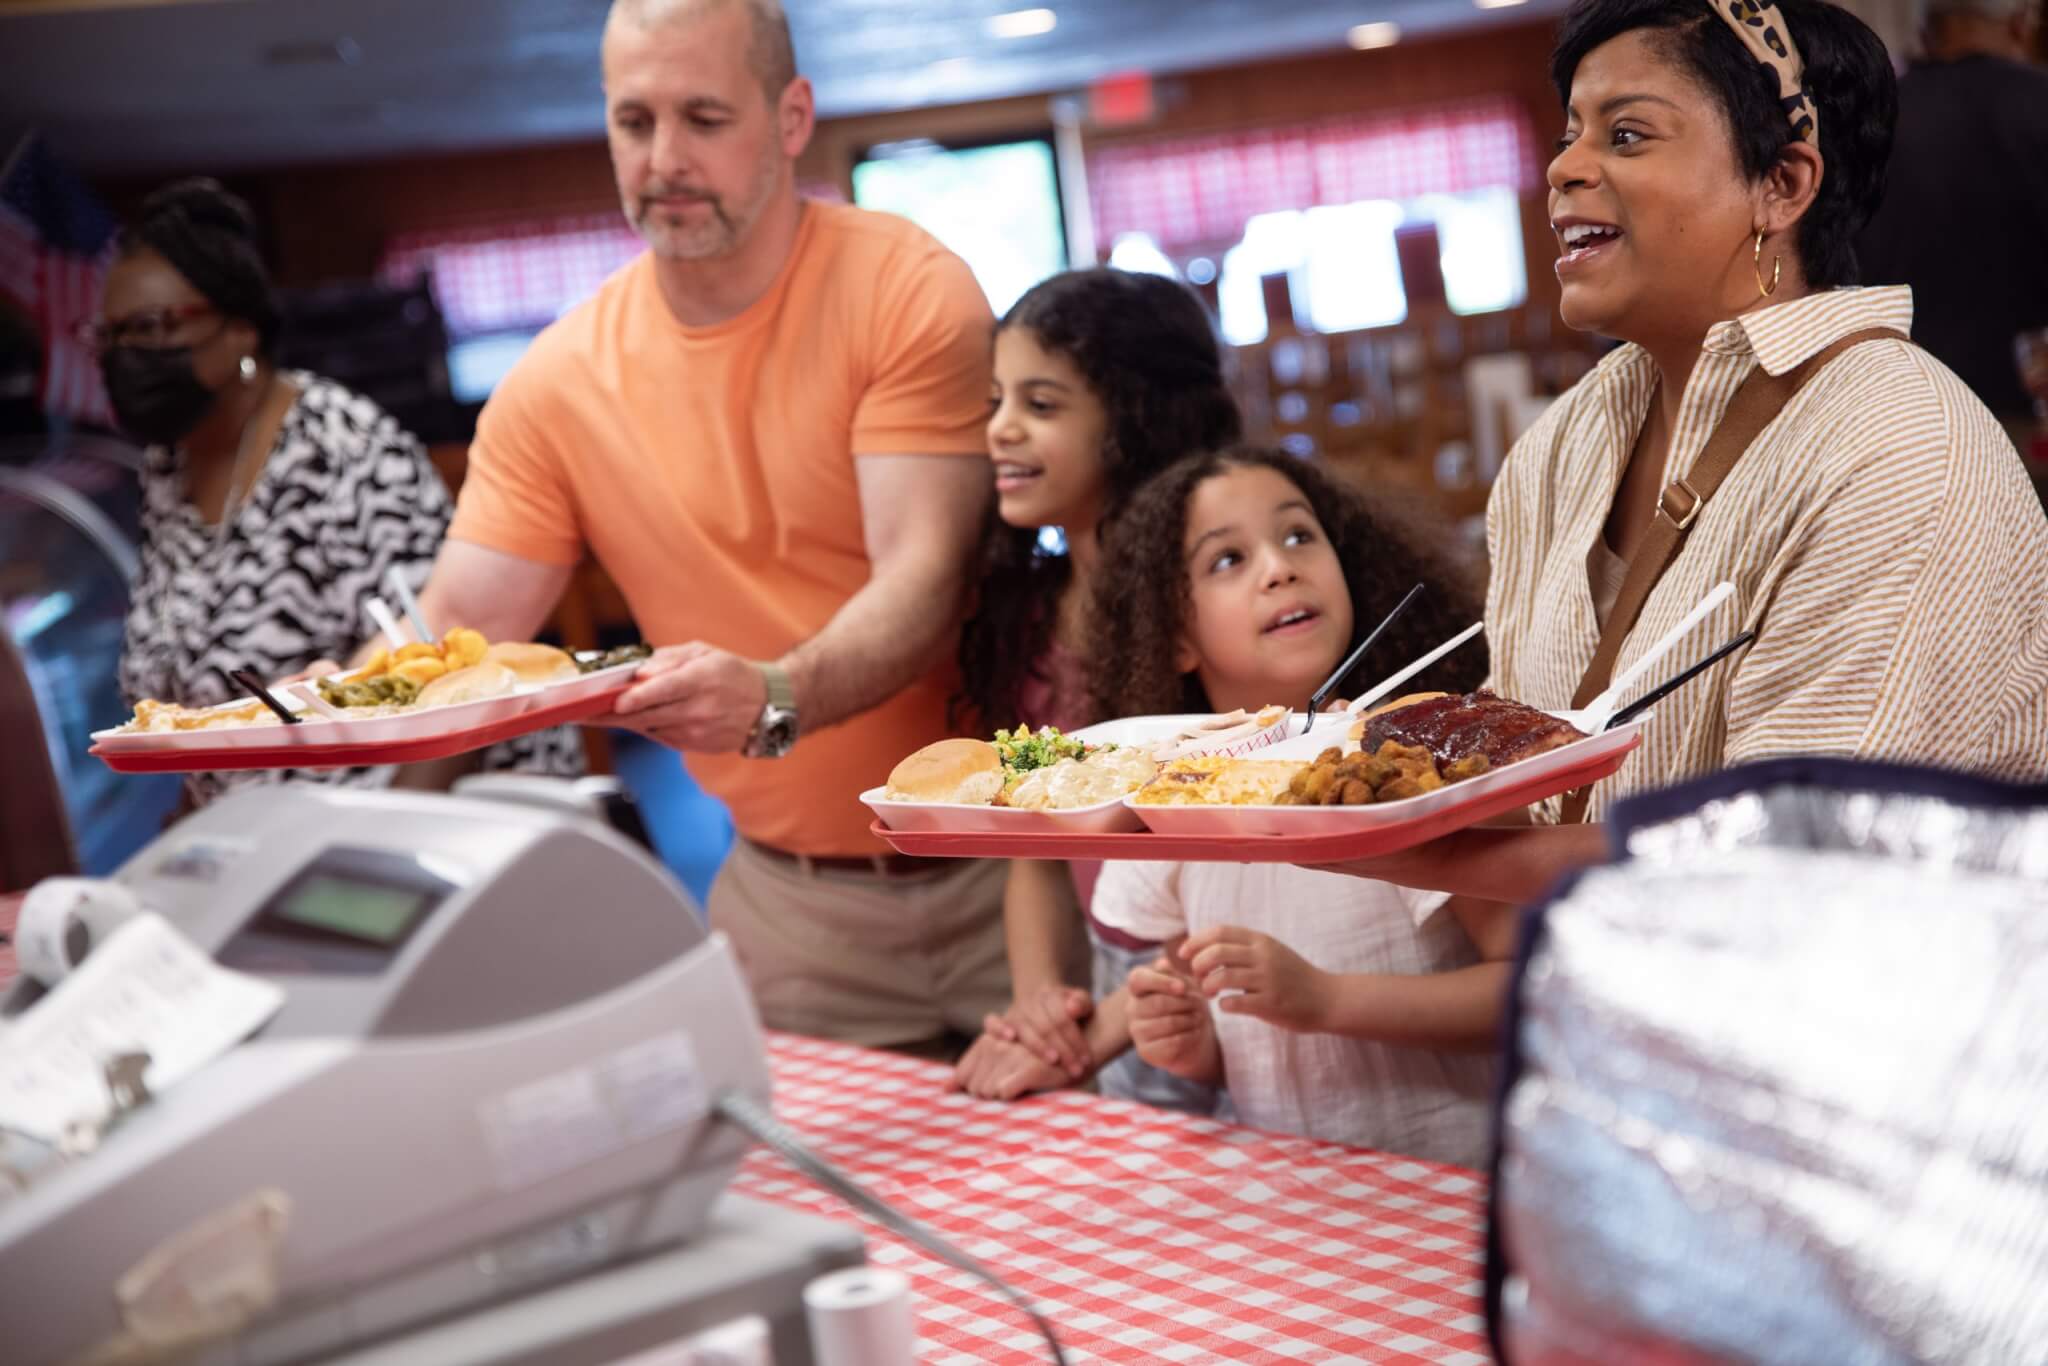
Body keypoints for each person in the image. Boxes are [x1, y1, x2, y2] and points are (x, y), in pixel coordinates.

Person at [1320, 0, 2048, 910]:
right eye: (1570, 134)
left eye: (1626, 136)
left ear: (1782, 183)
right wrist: (1320, 790)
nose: (1563, 168)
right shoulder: (1561, 444)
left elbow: (1812, 861)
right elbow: (1521, 775)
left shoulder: (1897, 447)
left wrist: (1380, 850)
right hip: (1601, 1017)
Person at [409, 0, 1003, 1053]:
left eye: (703, 117)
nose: (664, 158)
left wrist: (774, 695)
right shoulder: (556, 381)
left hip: (1021, 865)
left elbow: (923, 580)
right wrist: (314, 775)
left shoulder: (903, 286)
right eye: (634, 122)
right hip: (790, 902)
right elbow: (454, 632)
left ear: (790, 118)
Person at [956, 449, 1504, 1156]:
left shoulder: (1411, 766)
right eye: (1227, 561)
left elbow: (1525, 989)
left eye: (1300, 535)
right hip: (1287, 1206)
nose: (1279, 567)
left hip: (1450, 1196)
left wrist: (1328, 1001)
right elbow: (1249, 1038)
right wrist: (1189, 1048)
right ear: (1175, 637)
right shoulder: (1168, 801)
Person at [96, 178, 581, 810]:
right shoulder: (166, 470)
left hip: (429, 821)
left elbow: (456, 676)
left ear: (241, 331)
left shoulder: (342, 447)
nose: (127, 354)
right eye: (109, 336)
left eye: (153, 327)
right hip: (267, 830)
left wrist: (385, 860)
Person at [950, 268, 1241, 1111]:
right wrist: (1044, 1006)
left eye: (1040, 406)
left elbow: (1254, 869)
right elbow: (1034, 845)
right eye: (996, 401)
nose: (999, 430)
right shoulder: (1032, 614)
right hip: (1118, 981)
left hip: (1224, 973)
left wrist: (1102, 1029)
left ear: (1134, 419)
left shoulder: (1201, 605)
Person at [1857, 0, 2048, 434]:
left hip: (1903, 410)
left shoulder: (1874, 121)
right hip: (2029, 410)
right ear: (2021, 25)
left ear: (1927, 32)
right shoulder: (2041, 106)